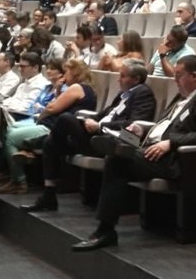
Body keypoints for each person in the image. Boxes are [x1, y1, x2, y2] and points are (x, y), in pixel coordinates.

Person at [73, 55, 196, 251]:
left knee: (116, 160)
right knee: (119, 143)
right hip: (148, 144)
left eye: (178, 75)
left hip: (170, 158)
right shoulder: (183, 96)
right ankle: (113, 142)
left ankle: (105, 230)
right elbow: (166, 125)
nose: (174, 79)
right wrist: (143, 131)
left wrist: (170, 143)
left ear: (195, 76)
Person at [25, 58, 157, 212]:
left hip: (111, 140)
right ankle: (49, 196)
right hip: (96, 136)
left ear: (136, 79)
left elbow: (133, 124)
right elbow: (102, 115)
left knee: (65, 119)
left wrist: (99, 126)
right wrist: (89, 120)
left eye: (122, 76)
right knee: (50, 143)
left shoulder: (143, 94)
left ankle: (42, 146)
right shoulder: (123, 95)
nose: (118, 78)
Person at [0, 58, 97, 194]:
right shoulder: (83, 89)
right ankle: (26, 152)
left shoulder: (77, 87)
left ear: (75, 72)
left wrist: (41, 117)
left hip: (53, 129)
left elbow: (52, 107)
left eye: (66, 72)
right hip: (56, 126)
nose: (64, 75)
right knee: (10, 127)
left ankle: (19, 181)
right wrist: (59, 91)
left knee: (12, 138)